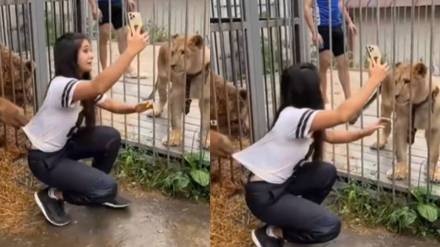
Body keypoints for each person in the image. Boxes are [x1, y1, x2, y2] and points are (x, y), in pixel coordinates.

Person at [232, 60, 389, 246]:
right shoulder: (292, 116)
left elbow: (331, 136)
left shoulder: (299, 114)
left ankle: (290, 217)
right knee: (329, 226)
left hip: (281, 184)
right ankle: (273, 232)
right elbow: (342, 115)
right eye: (318, 84)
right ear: (309, 91)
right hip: (265, 195)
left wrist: (364, 132)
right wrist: (374, 81)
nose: (322, 88)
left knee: (325, 172)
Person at [23, 28, 149, 227]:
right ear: (70, 56)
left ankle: (95, 187)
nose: (91, 55)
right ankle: (54, 195)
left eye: (90, 50)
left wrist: (134, 107)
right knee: (108, 188)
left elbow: (109, 103)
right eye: (85, 50)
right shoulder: (62, 85)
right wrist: (130, 51)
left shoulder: (80, 84)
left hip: (63, 148)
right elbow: (98, 87)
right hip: (44, 159)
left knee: (111, 137)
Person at [304, 0, 358, 105]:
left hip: (337, 27)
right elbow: (306, 8)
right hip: (322, 27)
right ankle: (323, 97)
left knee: (344, 63)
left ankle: (348, 98)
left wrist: (350, 22)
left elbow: (341, 5)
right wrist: (314, 31)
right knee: (325, 61)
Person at [87, 0, 146, 78]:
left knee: (124, 34)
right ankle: (105, 70)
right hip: (103, 4)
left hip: (118, 3)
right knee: (104, 35)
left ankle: (127, 68)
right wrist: (94, 6)